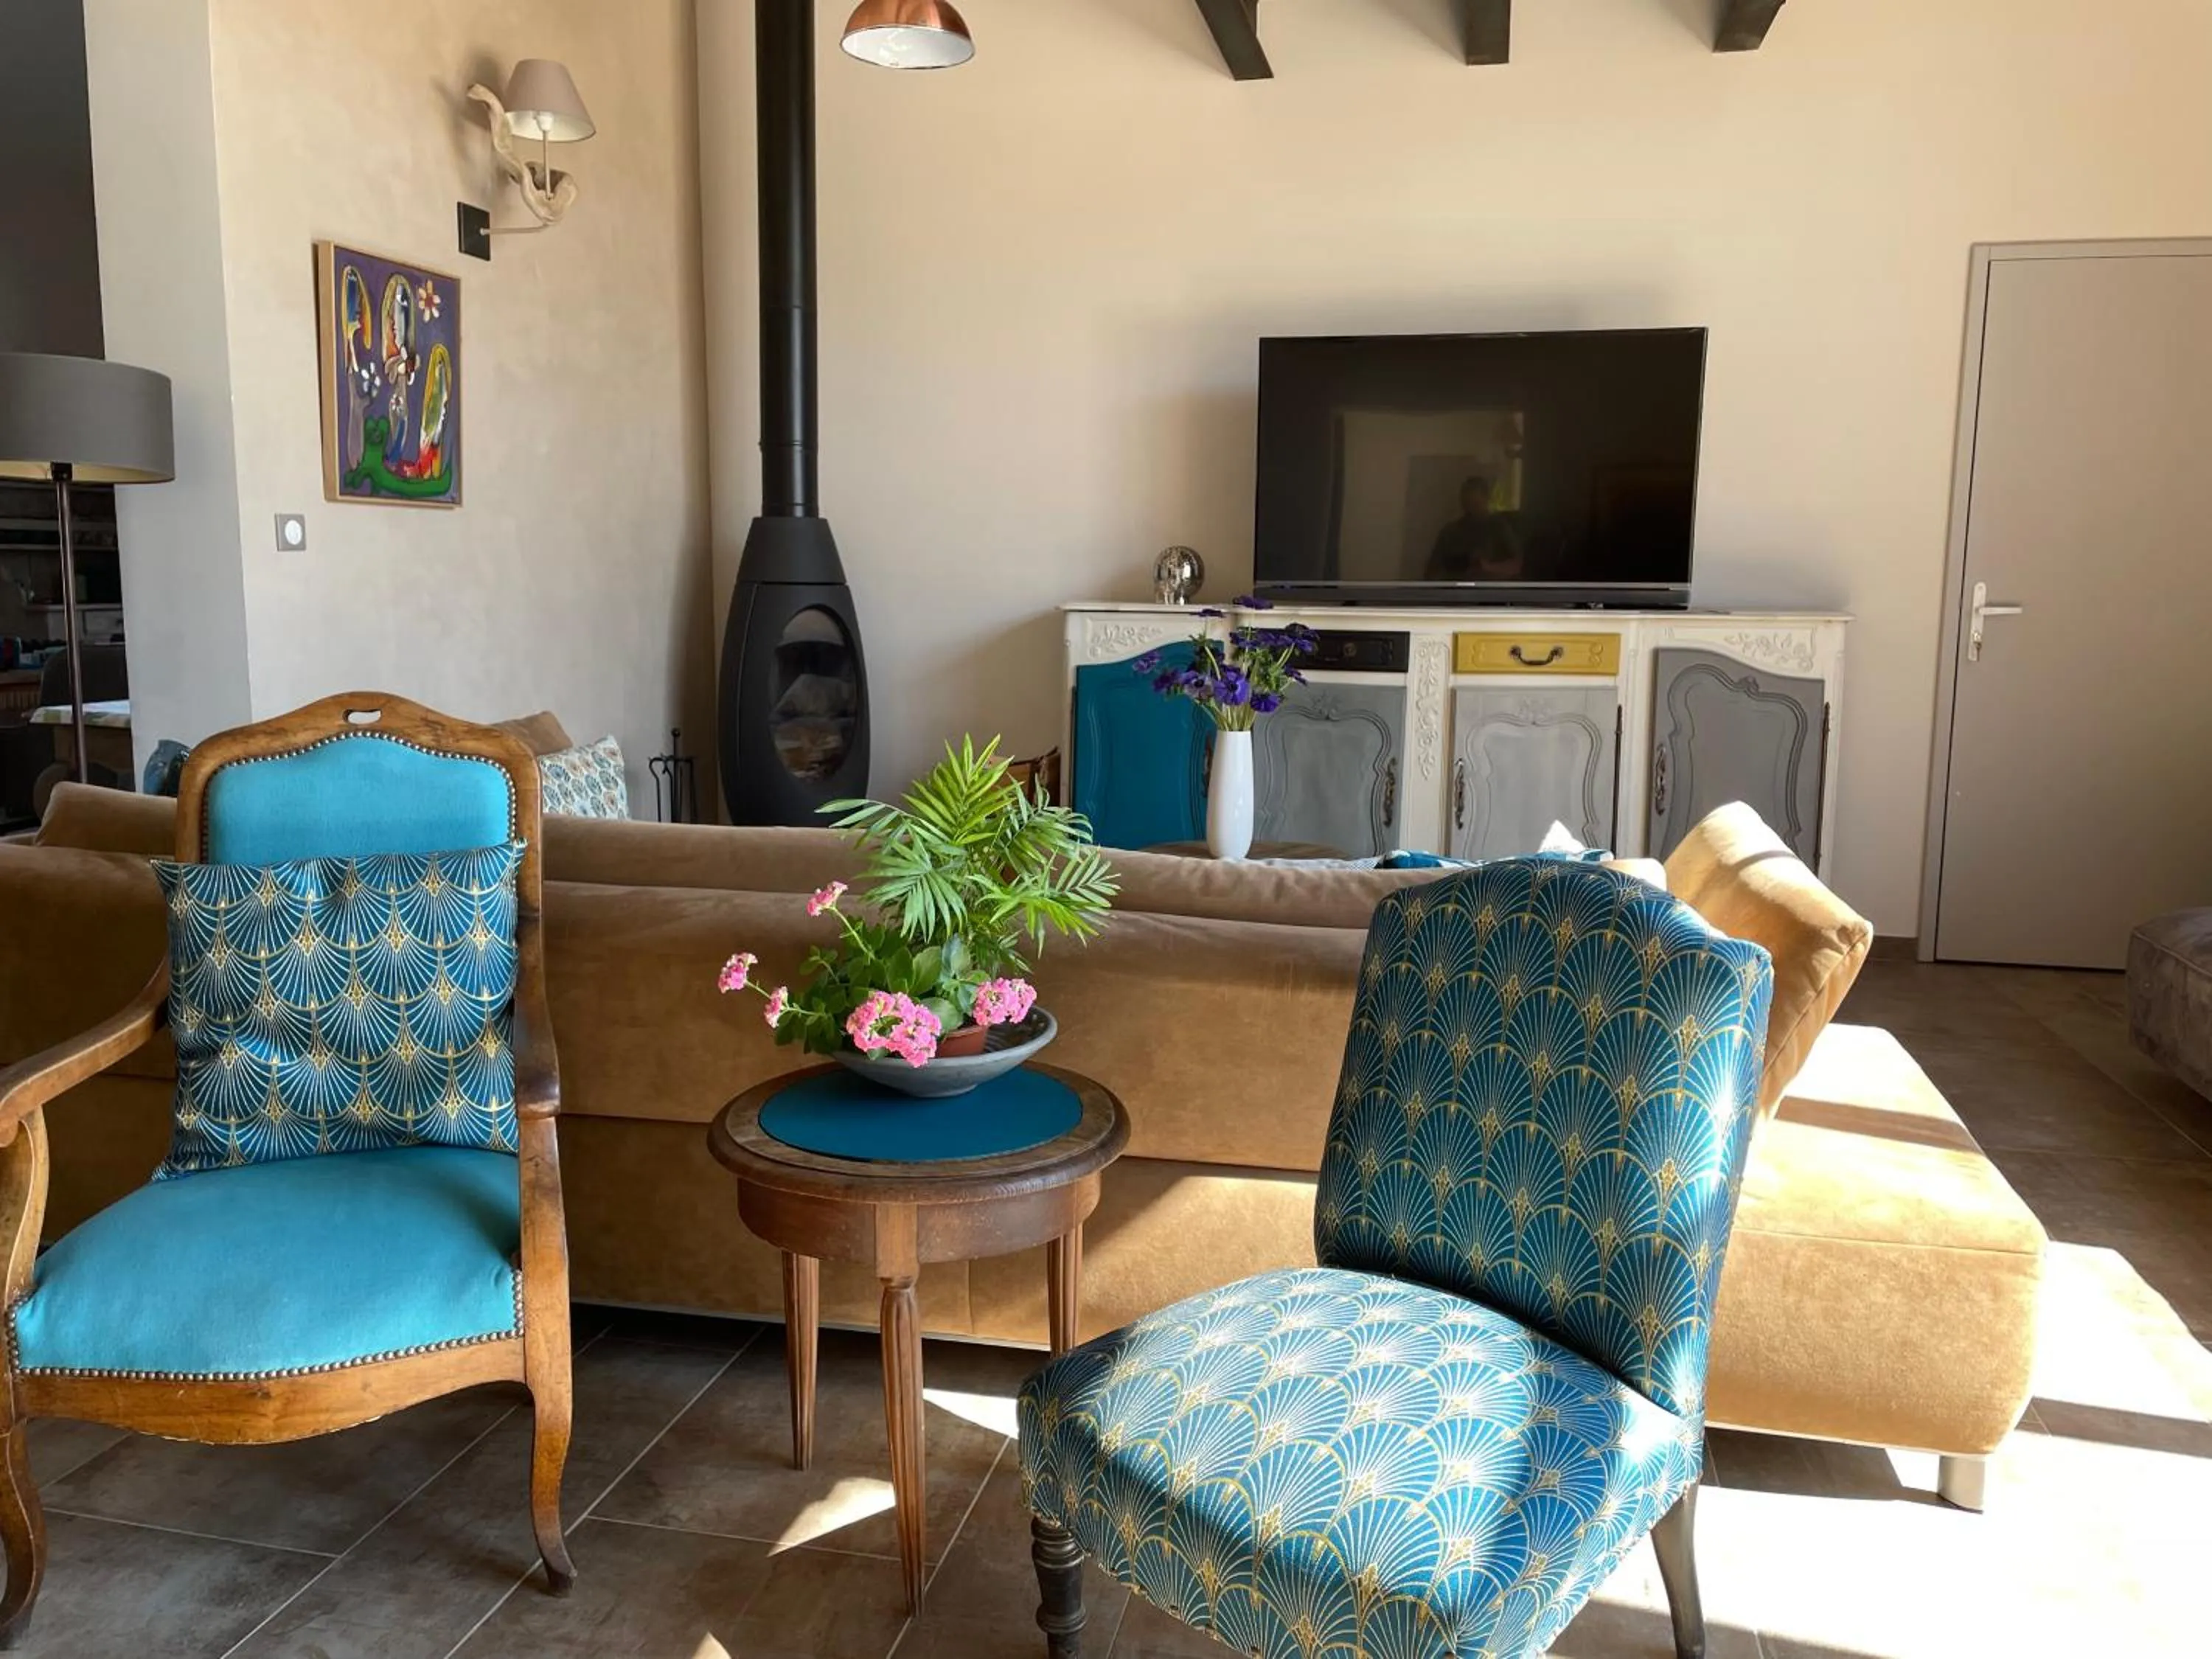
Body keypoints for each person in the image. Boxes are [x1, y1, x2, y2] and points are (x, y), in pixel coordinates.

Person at [1425, 475, 1525, 582]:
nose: (1470, 510)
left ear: (1486, 499)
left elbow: (1517, 565)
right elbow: (1431, 573)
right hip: (1455, 593)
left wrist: (1488, 567)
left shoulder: (1498, 527)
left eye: (1475, 504)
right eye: (1466, 504)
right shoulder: (1450, 532)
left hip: (1488, 592)